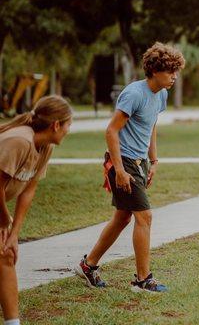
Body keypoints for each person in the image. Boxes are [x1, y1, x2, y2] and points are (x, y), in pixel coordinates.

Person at [76, 42, 185, 292]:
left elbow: (151, 125)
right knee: (144, 216)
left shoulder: (161, 95)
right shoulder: (134, 93)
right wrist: (120, 170)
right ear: (155, 70)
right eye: (171, 71)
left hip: (139, 162)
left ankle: (88, 265)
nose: (174, 77)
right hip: (122, 161)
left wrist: (154, 160)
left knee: (123, 217)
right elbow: (111, 131)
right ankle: (142, 280)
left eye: (176, 71)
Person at [0, 96, 73, 325]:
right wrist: (4, 221)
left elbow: (28, 190)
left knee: (6, 255)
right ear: (56, 125)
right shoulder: (20, 141)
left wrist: (14, 234)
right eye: (69, 124)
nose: (69, 131)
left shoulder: (44, 147)